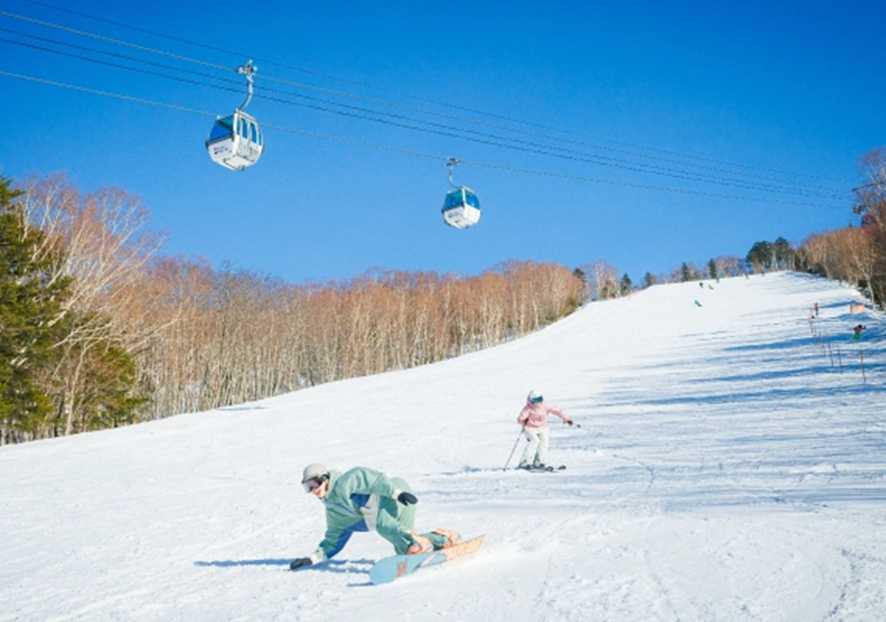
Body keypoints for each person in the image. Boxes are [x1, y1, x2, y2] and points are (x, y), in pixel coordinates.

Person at [289, 464, 461, 571]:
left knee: (383, 525)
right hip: (390, 505)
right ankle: (443, 539)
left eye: (315, 484)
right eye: (308, 487)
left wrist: (396, 493)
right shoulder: (334, 513)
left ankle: (421, 543)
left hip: (393, 494)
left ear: (325, 479)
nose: (313, 490)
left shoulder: (345, 482)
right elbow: (333, 540)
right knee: (407, 550)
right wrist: (312, 559)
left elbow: (372, 480)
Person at [516, 390, 573, 469]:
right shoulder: (528, 408)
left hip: (543, 427)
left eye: (539, 400)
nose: (537, 403)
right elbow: (520, 419)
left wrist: (567, 419)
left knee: (544, 444)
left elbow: (557, 411)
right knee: (534, 441)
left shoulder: (545, 406)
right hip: (530, 428)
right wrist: (523, 421)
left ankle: (538, 462)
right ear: (530, 400)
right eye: (535, 400)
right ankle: (524, 462)